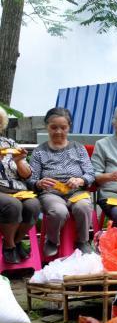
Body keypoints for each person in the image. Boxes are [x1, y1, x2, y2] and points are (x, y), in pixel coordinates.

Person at [28, 107, 95, 257]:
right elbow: (30, 179)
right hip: (51, 193)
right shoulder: (39, 151)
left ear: (69, 127)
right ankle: (52, 240)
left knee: (83, 206)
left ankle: (83, 241)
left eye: (63, 127)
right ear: (47, 127)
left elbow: (91, 174)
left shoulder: (78, 148)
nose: (58, 131)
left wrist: (80, 180)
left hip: (77, 191)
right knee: (58, 211)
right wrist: (39, 183)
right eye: (54, 127)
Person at [0, 110, 39, 263]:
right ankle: (9, 245)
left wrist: (19, 161)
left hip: (17, 189)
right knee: (13, 205)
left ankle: (16, 241)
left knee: (34, 205)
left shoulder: (9, 143)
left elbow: (27, 175)